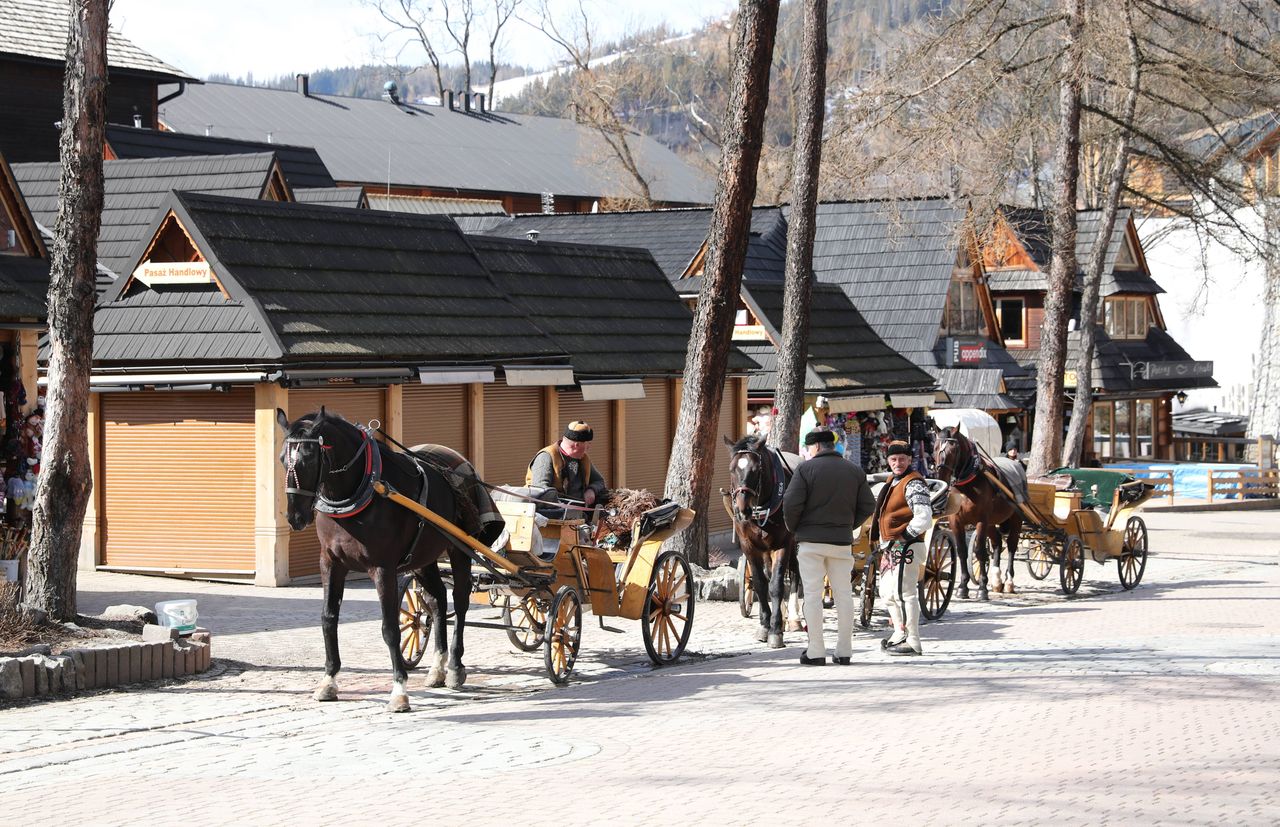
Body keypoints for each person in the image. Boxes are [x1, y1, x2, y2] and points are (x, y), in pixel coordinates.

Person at [782, 428, 876, 666]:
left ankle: (816, 650)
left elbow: (791, 504)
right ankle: (844, 650)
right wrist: (847, 524)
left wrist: (797, 529)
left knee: (812, 596)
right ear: (833, 445)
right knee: (843, 594)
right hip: (841, 542)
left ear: (814, 447)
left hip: (810, 542)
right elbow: (868, 505)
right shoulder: (854, 470)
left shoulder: (805, 469)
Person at [870, 440, 931, 656]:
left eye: (903, 459)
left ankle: (913, 640)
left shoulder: (913, 483)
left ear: (910, 460)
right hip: (892, 546)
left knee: (905, 593)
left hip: (908, 545)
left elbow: (924, 516)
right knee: (887, 592)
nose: (898, 463)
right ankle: (899, 633)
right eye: (894, 459)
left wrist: (905, 536)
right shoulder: (893, 481)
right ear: (888, 461)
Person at [526, 420, 607, 517]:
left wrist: (591, 490)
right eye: (588, 443)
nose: (589, 447)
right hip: (552, 515)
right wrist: (566, 507)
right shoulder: (546, 457)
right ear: (577, 445)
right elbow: (540, 491)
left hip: (579, 512)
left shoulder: (583, 459)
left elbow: (599, 481)